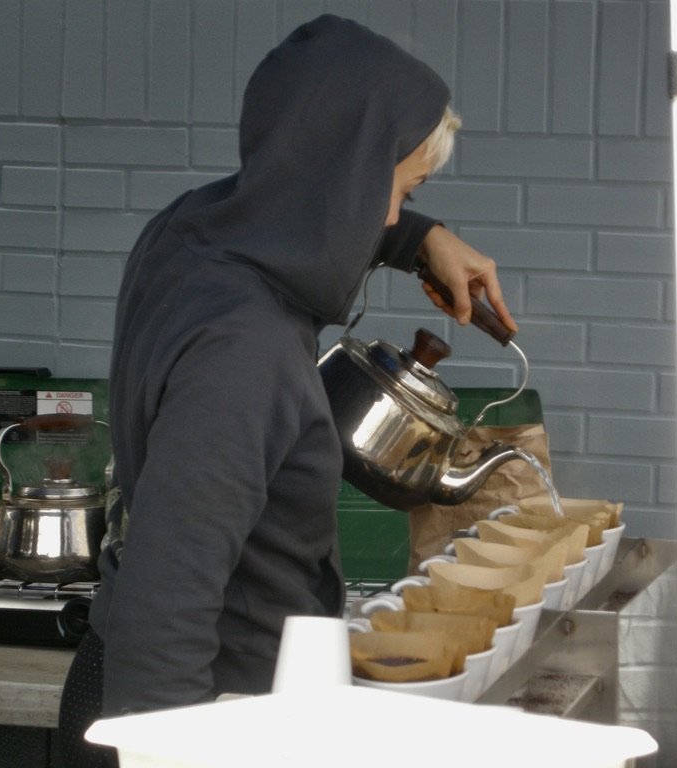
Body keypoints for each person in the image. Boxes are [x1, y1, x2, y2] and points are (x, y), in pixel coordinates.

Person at [57, 14, 517, 767]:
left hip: (140, 681)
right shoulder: (246, 352)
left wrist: (419, 237)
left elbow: (313, 205)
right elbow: (166, 600)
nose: (393, 214)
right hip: (191, 708)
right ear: (345, 177)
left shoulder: (189, 233)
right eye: (397, 190)